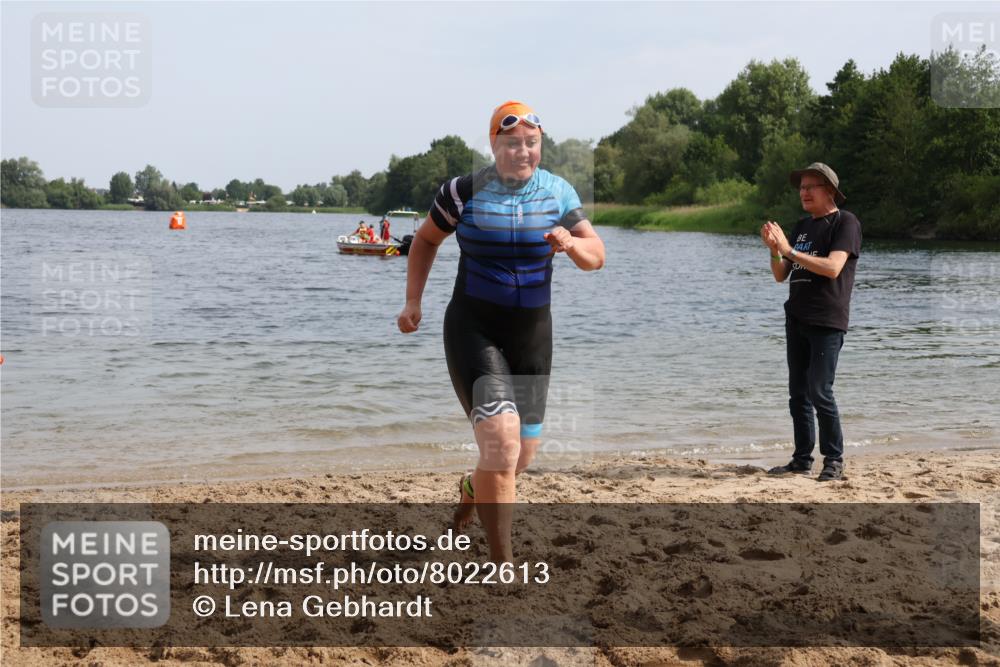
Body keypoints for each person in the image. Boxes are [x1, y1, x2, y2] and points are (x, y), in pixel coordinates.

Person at [397, 101, 605, 561]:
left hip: (532, 335)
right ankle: (501, 559)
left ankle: (474, 487)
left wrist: (571, 243)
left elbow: (597, 256)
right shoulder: (462, 192)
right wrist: (414, 301)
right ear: (494, 144)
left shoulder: (559, 193)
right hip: (474, 327)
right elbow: (426, 240)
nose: (523, 152)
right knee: (503, 444)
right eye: (512, 143)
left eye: (531, 143)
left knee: (518, 457)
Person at [761, 162, 861, 482]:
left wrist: (788, 248)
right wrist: (776, 251)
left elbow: (833, 268)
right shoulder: (803, 226)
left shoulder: (846, 222)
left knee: (820, 390)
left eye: (810, 187)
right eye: (801, 187)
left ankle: (834, 459)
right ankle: (802, 459)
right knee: (798, 394)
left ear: (829, 191)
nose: (803, 192)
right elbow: (780, 275)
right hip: (797, 318)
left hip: (827, 319)